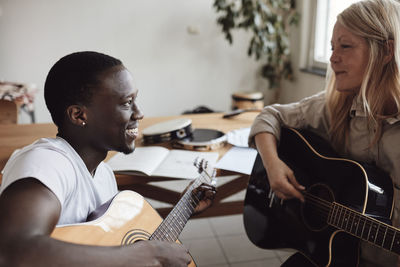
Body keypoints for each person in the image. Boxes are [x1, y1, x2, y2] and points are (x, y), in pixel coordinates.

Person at [0, 51, 216, 267]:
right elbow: (14, 251)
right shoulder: (48, 162)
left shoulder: (103, 175)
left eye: (135, 100)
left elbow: (106, 241)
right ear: (79, 115)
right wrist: (151, 254)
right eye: (126, 103)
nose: (139, 113)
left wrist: (185, 208)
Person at [248, 0, 400, 266]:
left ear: (386, 51)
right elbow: (269, 116)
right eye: (332, 47)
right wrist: (273, 165)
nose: (332, 58)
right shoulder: (336, 106)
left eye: (345, 45)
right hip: (337, 252)